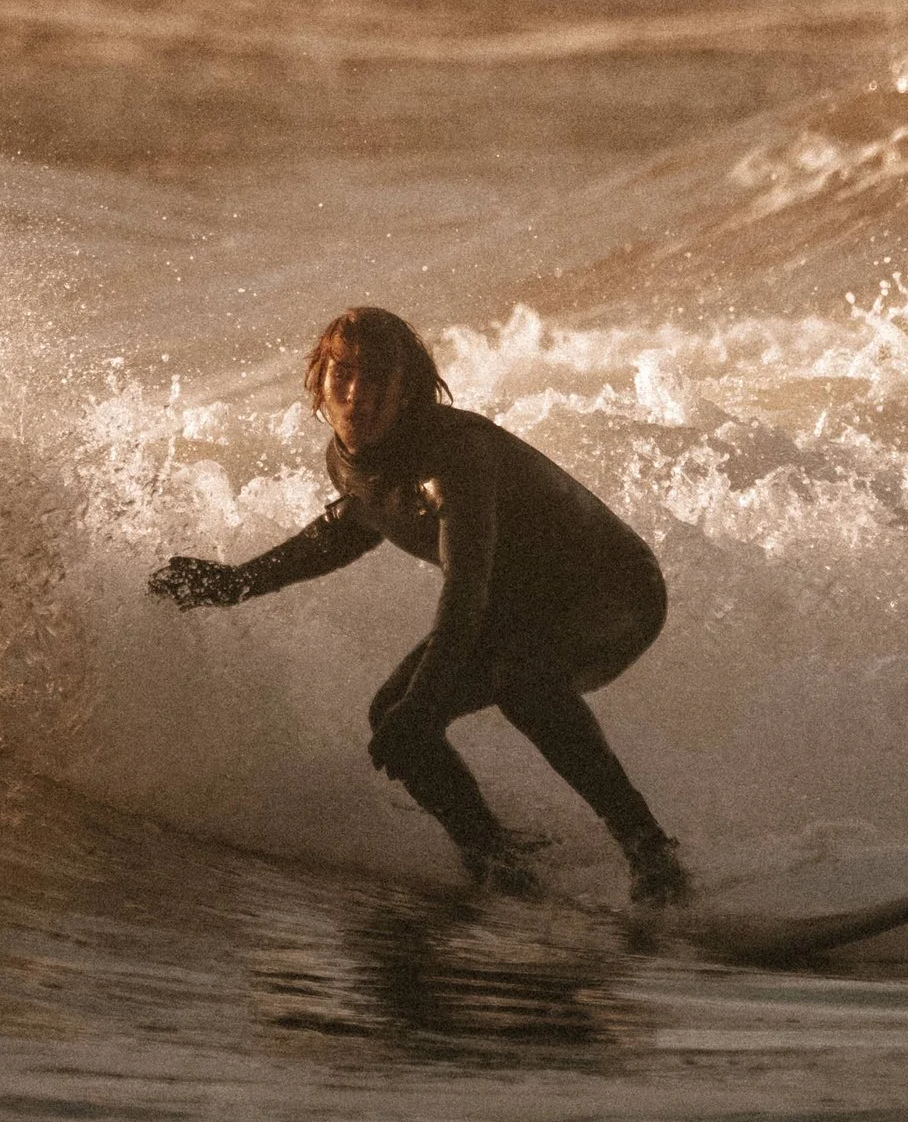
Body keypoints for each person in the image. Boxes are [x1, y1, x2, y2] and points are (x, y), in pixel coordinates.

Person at [150, 306, 688, 900]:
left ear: (408, 391)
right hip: (519, 605)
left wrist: (427, 703)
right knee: (395, 716)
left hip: (615, 592)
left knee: (516, 682)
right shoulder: (347, 458)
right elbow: (349, 527)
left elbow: (465, 592)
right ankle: (494, 858)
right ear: (318, 380)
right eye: (343, 374)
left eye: (378, 378)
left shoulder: (451, 461)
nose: (358, 394)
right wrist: (233, 583)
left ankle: (650, 853)